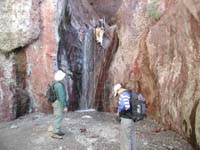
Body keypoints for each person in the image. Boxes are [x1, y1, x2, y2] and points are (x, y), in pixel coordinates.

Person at [114, 83, 136, 150]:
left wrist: (119, 114)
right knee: (131, 137)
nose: (118, 94)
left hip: (126, 119)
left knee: (125, 138)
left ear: (119, 89)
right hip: (132, 118)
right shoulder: (129, 93)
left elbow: (127, 106)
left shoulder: (124, 94)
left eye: (117, 92)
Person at [50, 70, 68, 139]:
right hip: (59, 103)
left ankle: (57, 130)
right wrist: (65, 106)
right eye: (63, 77)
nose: (63, 78)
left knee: (58, 116)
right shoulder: (59, 85)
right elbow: (62, 97)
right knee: (58, 117)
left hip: (55, 102)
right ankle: (55, 133)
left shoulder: (55, 83)